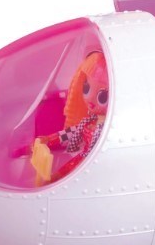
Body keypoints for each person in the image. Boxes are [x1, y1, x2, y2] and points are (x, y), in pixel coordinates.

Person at [34, 51, 109, 182]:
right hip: (83, 159)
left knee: (64, 172)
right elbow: (70, 132)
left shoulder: (106, 128)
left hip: (91, 164)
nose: (90, 99)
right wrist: (49, 139)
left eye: (102, 97)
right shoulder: (88, 121)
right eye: (86, 88)